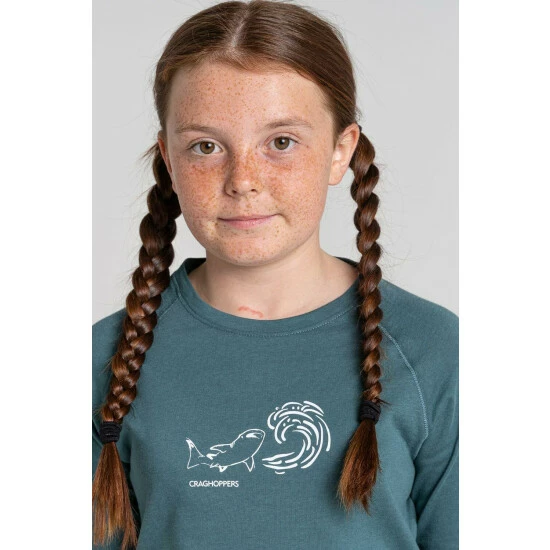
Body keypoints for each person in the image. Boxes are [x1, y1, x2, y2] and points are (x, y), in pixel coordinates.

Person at [92, 1, 459, 549]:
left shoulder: (435, 350)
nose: (243, 180)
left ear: (340, 152)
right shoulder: (103, 359)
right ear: (168, 158)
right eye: (206, 146)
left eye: (281, 142)